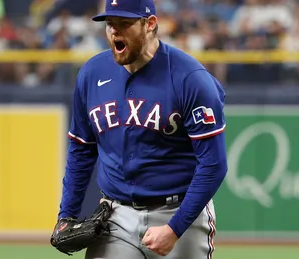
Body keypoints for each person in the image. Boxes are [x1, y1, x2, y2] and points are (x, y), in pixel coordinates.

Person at [54, 0, 228, 258]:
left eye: (124, 24)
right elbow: (81, 149)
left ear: (150, 24)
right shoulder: (92, 73)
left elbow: (213, 164)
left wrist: (174, 228)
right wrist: (66, 215)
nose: (115, 31)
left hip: (180, 212)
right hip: (114, 215)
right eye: (110, 24)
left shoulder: (190, 78)